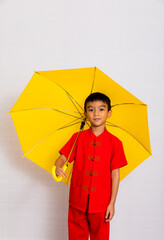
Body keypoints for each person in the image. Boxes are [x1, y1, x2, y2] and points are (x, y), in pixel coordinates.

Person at [54, 92, 128, 240]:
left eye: (101, 109)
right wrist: (58, 167)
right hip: (77, 202)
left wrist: (112, 203)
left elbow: (115, 174)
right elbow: (61, 159)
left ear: (109, 113)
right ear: (85, 114)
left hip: (101, 205)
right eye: (91, 109)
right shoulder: (78, 137)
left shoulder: (115, 143)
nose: (96, 113)